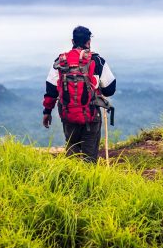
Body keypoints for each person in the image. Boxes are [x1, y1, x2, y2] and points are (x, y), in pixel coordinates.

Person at [42, 26, 116, 162]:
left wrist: (47, 112)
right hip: (91, 114)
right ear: (89, 42)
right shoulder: (97, 60)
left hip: (68, 114)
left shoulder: (60, 61)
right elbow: (110, 89)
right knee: (89, 155)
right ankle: (88, 180)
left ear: (72, 41)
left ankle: (72, 179)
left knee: (72, 151)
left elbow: (51, 91)